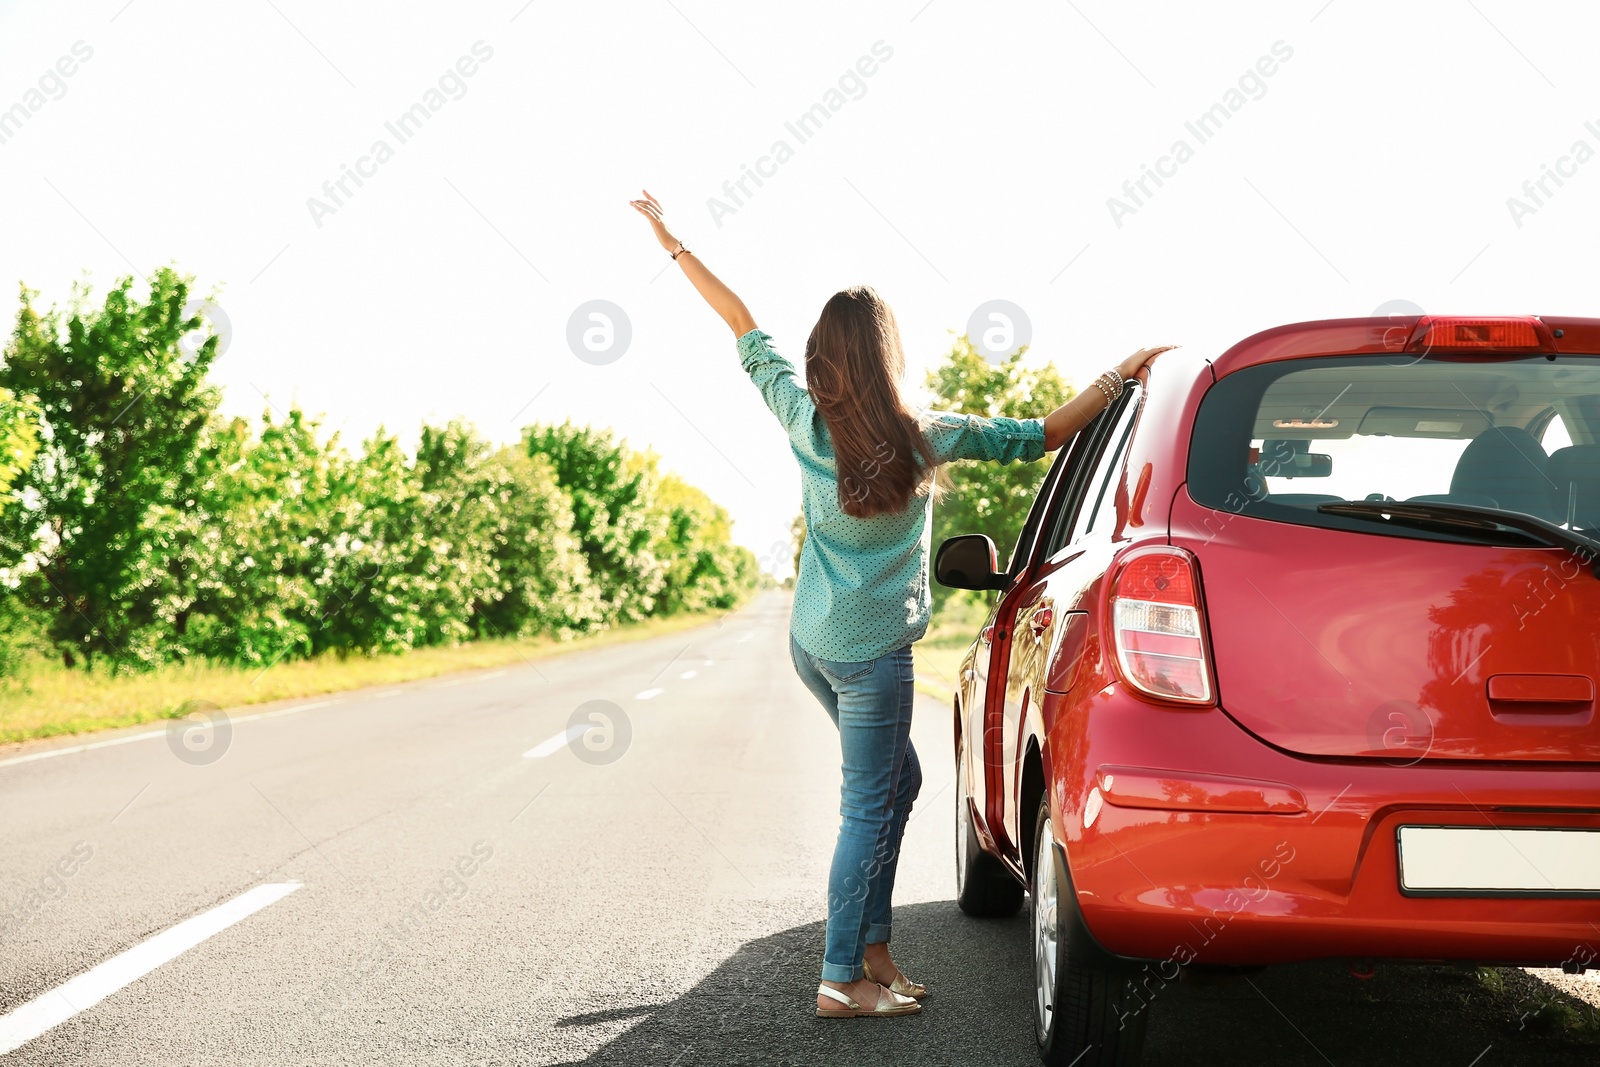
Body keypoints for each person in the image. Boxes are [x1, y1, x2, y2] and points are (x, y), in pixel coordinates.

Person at [629, 190, 1173, 1019]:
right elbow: (1043, 431)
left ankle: (875, 951)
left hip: (812, 644)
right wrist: (1119, 371)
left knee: (903, 782)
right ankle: (842, 975)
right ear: (888, 355)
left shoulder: (803, 418)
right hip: (874, 657)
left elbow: (738, 319)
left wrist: (674, 246)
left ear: (826, 357)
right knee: (866, 805)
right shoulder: (928, 434)